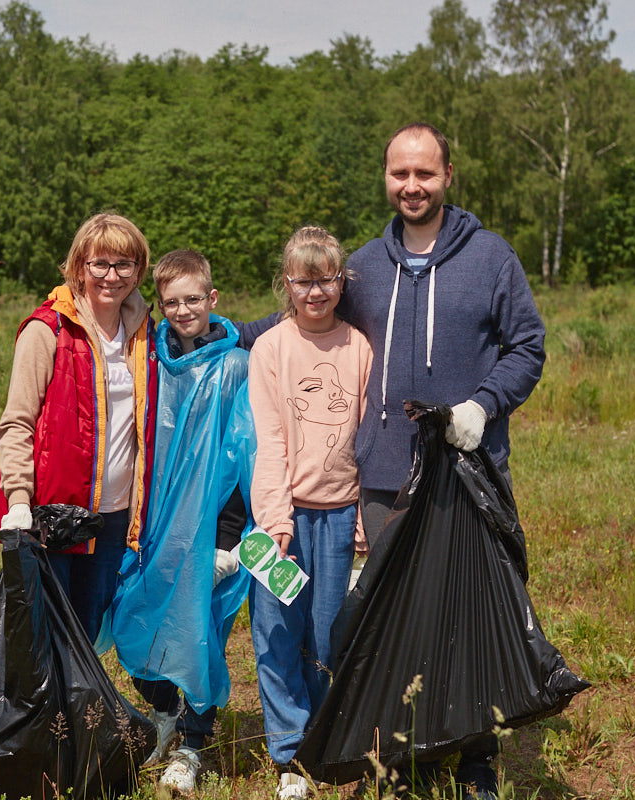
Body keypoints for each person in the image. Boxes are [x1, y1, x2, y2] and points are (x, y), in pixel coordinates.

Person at [339, 122, 547, 798]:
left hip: (465, 470)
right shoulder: (363, 267)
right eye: (400, 173)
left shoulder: (491, 258)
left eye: (424, 173)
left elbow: (528, 346)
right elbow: (306, 321)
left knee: (468, 615)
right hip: (385, 474)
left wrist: (483, 405)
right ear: (386, 177)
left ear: (448, 176)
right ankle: (406, 750)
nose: (412, 186)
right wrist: (221, 331)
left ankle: (476, 754)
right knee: (396, 616)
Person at [106, 249, 255, 795]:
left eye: (193, 299)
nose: (184, 310)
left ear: (212, 299)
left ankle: (194, 742)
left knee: (199, 632)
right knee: (131, 619)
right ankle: (166, 711)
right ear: (159, 306)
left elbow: (242, 456)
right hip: (151, 526)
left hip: (211, 532)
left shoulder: (236, 367)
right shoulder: (151, 363)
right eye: (172, 302)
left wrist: (227, 543)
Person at [0, 212, 157, 646]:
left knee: (87, 632)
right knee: (44, 637)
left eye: (124, 265)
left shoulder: (145, 332)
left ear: (138, 270)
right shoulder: (48, 329)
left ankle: (76, 694)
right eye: (99, 264)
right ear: (79, 266)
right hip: (54, 515)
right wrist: (19, 501)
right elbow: (17, 422)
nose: (111, 276)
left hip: (116, 515)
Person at [246, 226, 372, 800]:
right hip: (285, 516)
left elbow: (370, 438)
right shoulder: (272, 348)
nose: (315, 292)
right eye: (304, 281)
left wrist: (365, 518)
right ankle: (289, 754)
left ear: (341, 282)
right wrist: (275, 520)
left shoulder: (359, 347)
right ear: (287, 283)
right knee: (277, 633)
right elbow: (269, 440)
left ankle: (326, 738)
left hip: (342, 515)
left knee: (329, 636)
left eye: (326, 280)